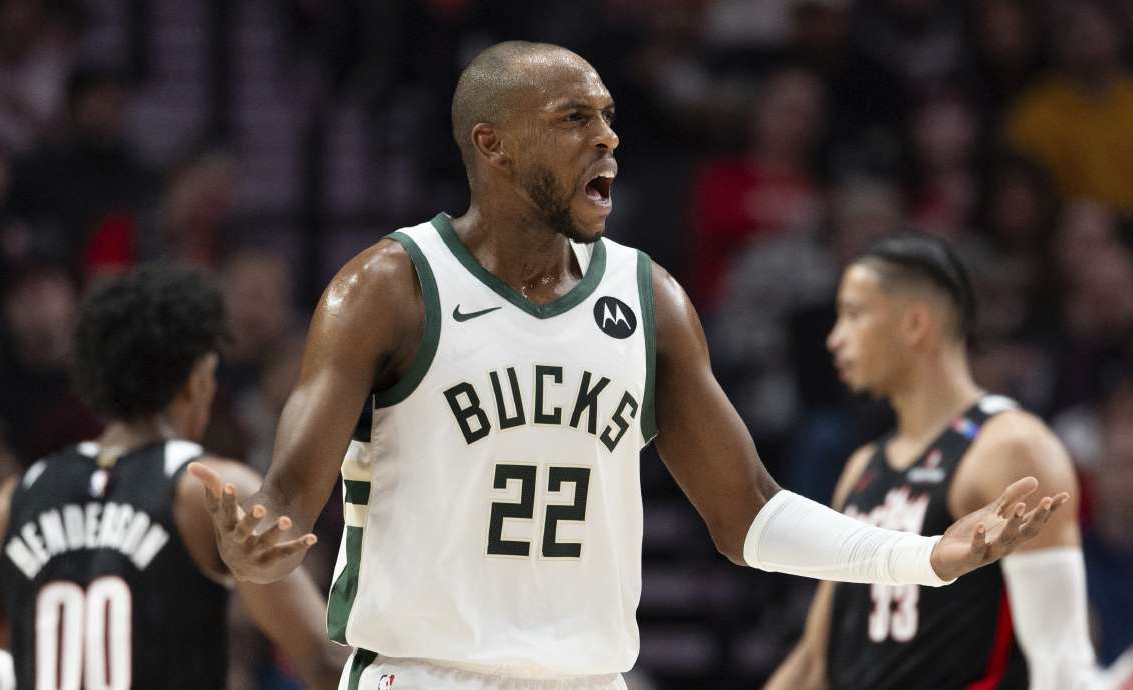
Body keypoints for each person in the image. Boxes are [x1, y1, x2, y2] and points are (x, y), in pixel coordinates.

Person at [191, 42, 1065, 690]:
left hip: (589, 679)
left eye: (609, 116)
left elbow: (749, 513)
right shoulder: (388, 288)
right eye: (575, 119)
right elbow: (287, 499)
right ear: (493, 145)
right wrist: (256, 547)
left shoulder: (650, 299)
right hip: (422, 673)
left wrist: (927, 555)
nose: (608, 138)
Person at [0, 266, 345, 690]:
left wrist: (7, 673)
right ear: (196, 380)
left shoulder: (12, 504)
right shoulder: (208, 490)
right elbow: (325, 663)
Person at [765, 233, 1120, 690]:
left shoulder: (1013, 448)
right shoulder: (862, 466)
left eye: (854, 314)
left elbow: (1060, 656)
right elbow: (816, 660)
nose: (835, 339)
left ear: (915, 323)